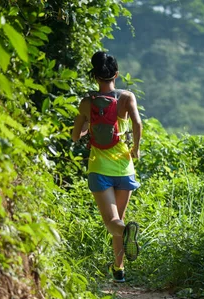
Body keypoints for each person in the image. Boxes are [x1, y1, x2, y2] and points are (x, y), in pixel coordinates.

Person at [71, 51, 143, 283]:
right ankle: (119, 270)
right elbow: (138, 123)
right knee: (118, 219)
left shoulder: (86, 102)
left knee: (113, 223)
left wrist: (88, 127)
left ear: (94, 76)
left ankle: (125, 237)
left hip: (99, 169)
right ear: (117, 74)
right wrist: (136, 149)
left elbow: (75, 136)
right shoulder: (126, 98)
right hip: (124, 168)